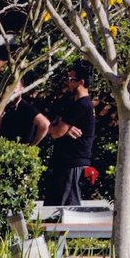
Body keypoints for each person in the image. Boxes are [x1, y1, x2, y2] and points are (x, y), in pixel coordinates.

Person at [45, 63, 96, 206]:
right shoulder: (75, 104)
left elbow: (56, 132)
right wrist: (63, 128)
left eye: (71, 79)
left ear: (81, 82)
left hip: (72, 165)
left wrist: (48, 128)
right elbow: (59, 127)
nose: (68, 82)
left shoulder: (81, 105)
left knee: (67, 210)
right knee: (54, 209)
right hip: (66, 164)